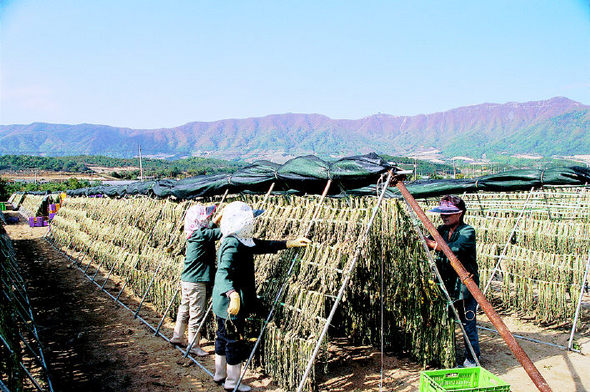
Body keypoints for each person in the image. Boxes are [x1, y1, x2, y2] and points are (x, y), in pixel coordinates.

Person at [212, 201, 310, 391]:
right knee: (234, 340)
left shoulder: (238, 240)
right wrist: (233, 295)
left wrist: (288, 243)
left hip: (222, 303)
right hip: (230, 304)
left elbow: (262, 244)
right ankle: (232, 383)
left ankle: (219, 374)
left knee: (222, 337)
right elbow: (222, 274)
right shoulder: (233, 245)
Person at [424, 195, 481, 367]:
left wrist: (432, 244)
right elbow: (427, 241)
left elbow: (453, 249)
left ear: (460, 213)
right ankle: (446, 357)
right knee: (445, 321)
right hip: (446, 283)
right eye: (442, 213)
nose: (444, 216)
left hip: (465, 286)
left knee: (467, 323)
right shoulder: (441, 230)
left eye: (448, 213)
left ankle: (472, 359)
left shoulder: (467, 231)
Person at [170, 204, 222, 356]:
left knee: (184, 309)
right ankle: (193, 346)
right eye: (205, 218)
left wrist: (216, 220)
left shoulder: (194, 233)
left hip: (188, 279)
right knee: (196, 313)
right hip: (196, 281)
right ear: (198, 220)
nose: (207, 219)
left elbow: (208, 231)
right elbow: (218, 233)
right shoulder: (201, 234)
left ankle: (177, 336)